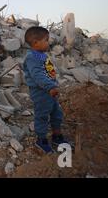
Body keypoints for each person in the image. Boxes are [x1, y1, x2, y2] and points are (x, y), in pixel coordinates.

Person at [23, 26, 70, 154]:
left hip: (51, 92)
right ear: (36, 43)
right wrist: (50, 87)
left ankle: (57, 136)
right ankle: (41, 140)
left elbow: (48, 71)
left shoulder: (41, 55)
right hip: (41, 94)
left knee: (56, 113)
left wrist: (53, 84)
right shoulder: (32, 57)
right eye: (46, 40)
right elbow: (37, 75)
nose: (48, 42)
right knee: (42, 116)